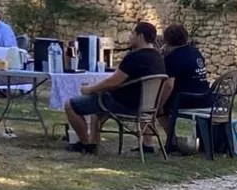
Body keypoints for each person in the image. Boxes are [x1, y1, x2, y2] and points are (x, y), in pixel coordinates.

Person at [64, 21, 165, 154]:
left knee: (70, 105)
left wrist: (90, 89)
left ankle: (85, 143)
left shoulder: (135, 57)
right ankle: (93, 142)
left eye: (132, 34)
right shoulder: (158, 58)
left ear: (140, 36)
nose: (130, 37)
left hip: (124, 104)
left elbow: (113, 82)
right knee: (98, 106)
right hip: (147, 107)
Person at [160, 23, 213, 153]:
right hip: (205, 96)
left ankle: (172, 141)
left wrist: (160, 105)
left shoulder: (173, 57)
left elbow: (169, 85)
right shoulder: (195, 52)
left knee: (158, 109)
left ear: (167, 41)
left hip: (186, 99)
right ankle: (173, 141)